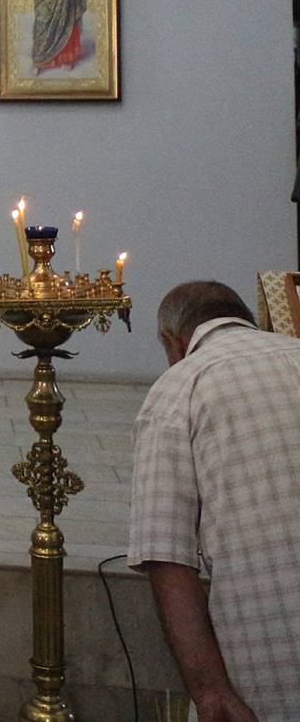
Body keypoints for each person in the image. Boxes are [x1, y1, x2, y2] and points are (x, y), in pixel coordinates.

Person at [129, 281, 300, 720]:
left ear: (172, 340)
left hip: (268, 674)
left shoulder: (178, 389)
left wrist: (210, 692)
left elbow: (167, 559)